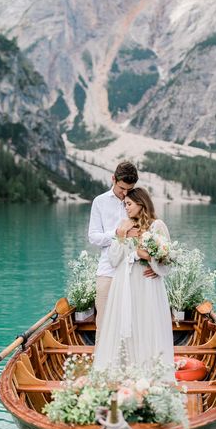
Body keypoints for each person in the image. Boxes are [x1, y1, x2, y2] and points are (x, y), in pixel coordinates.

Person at [92, 187, 175, 381]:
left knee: (146, 323)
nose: (126, 208)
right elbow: (114, 259)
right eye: (124, 204)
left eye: (129, 204)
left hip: (147, 285)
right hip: (125, 284)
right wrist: (121, 236)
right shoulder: (124, 226)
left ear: (141, 204)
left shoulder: (157, 226)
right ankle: (125, 373)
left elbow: (168, 260)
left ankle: (150, 374)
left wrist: (153, 264)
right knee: (125, 324)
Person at [89, 161, 151, 339]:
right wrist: (117, 234)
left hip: (135, 272)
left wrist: (155, 265)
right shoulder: (99, 202)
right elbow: (93, 237)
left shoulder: (137, 202)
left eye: (129, 189)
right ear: (113, 179)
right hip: (107, 270)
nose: (125, 194)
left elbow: (149, 233)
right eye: (122, 188)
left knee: (133, 323)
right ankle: (102, 363)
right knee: (103, 322)